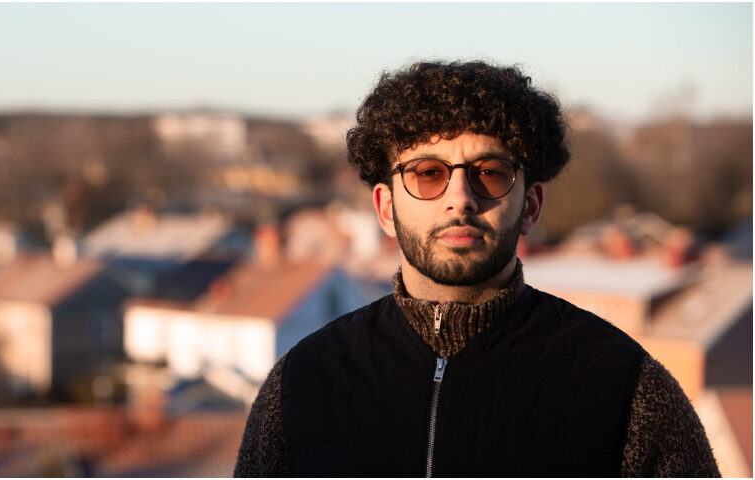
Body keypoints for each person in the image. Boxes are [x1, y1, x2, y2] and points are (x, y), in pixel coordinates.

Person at [234, 60, 719, 477]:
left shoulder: (629, 389)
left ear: (530, 206)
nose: (460, 199)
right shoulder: (300, 384)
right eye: (428, 174)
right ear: (385, 208)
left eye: (489, 172)